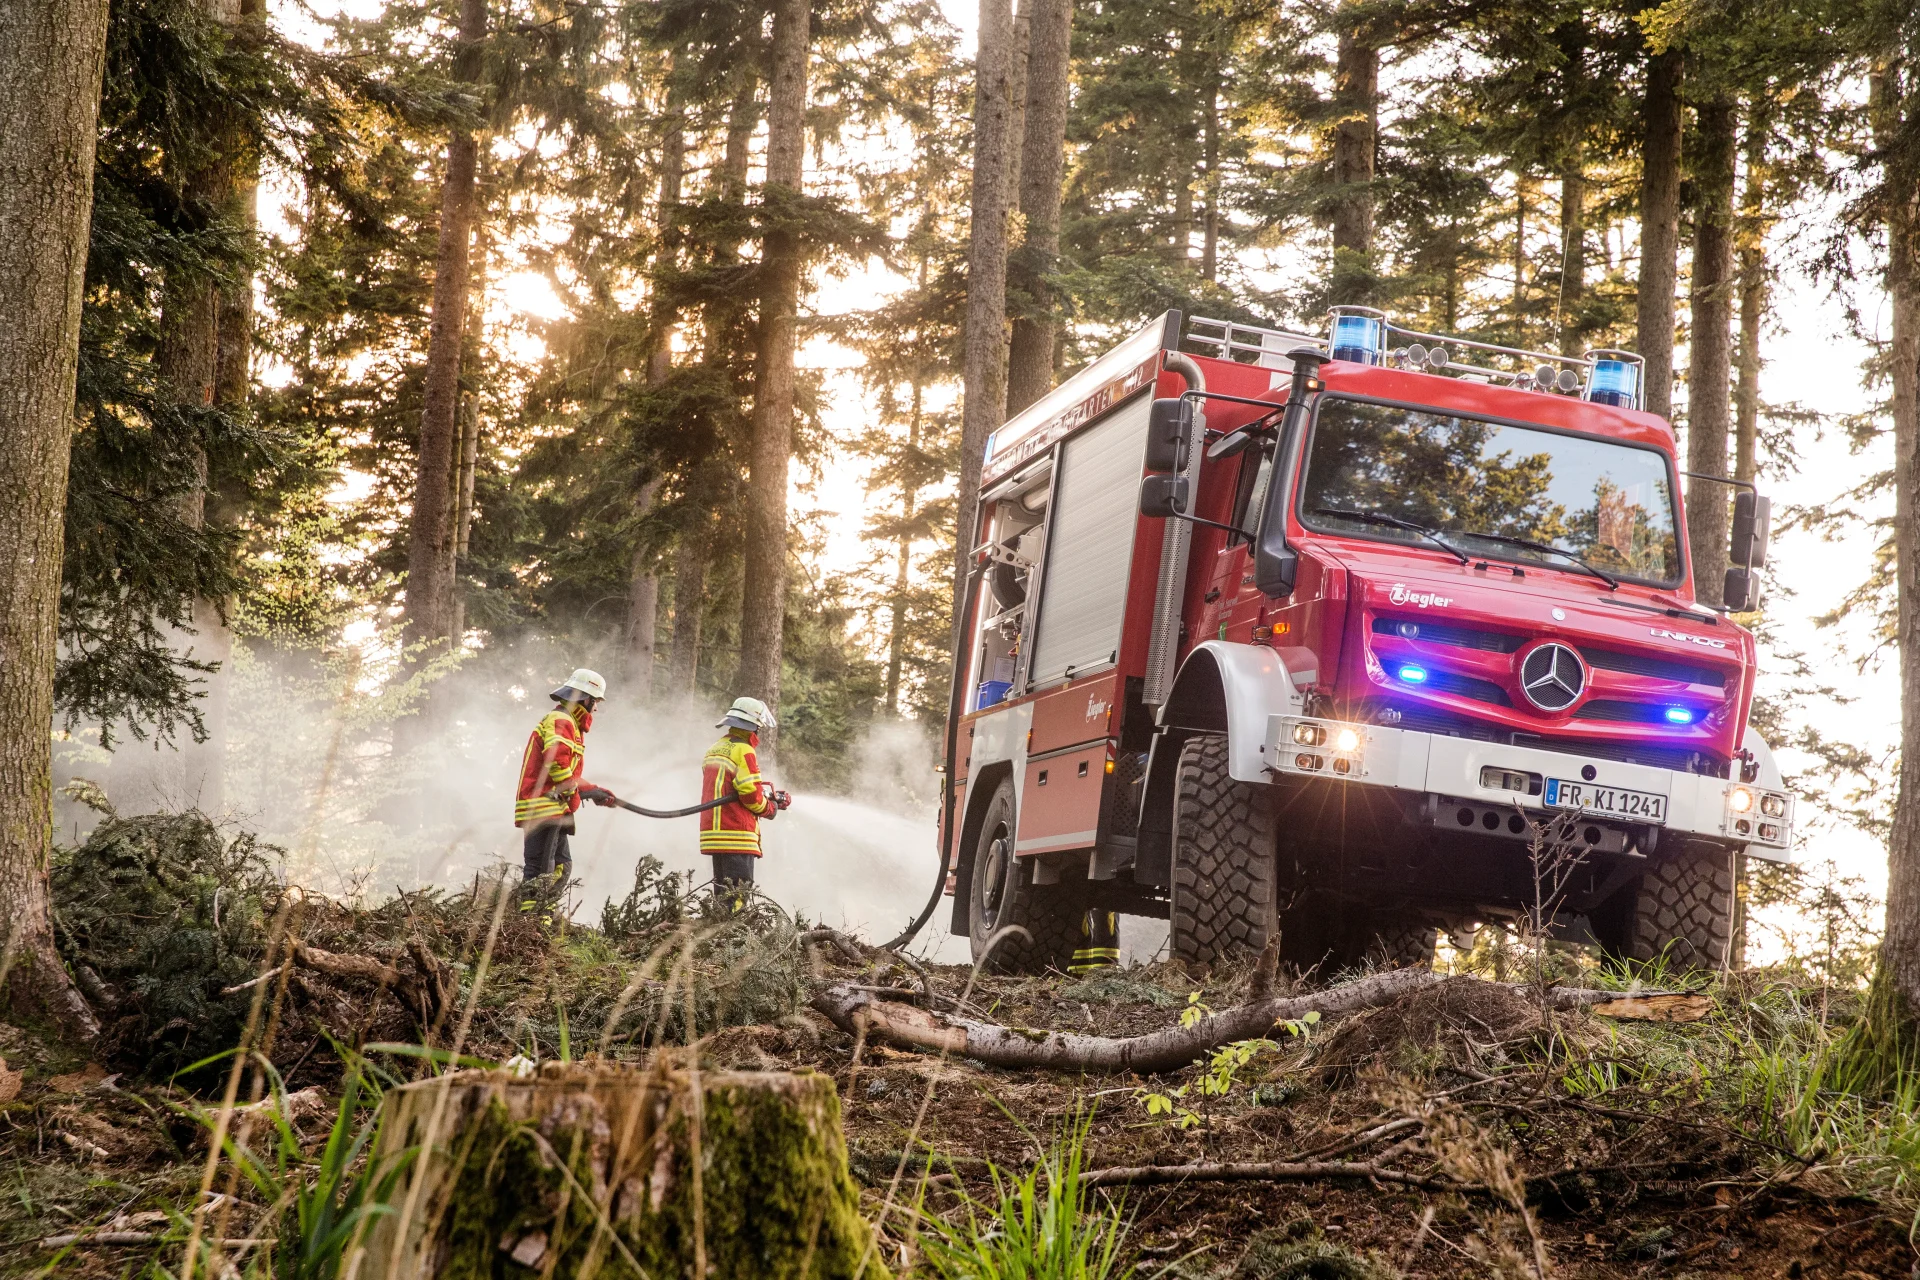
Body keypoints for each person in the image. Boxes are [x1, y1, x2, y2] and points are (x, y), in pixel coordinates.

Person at [514, 667, 618, 924]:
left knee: (560, 867)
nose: (596, 709)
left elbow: (566, 771)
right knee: (542, 868)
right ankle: (531, 924)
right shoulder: (562, 720)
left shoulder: (568, 723)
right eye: (596, 702)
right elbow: (557, 763)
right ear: (585, 698)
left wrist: (592, 790)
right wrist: (572, 792)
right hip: (544, 806)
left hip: (552, 807)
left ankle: (542, 917)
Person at [699, 696, 792, 903]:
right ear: (754, 726)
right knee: (739, 895)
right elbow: (749, 794)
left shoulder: (715, 748)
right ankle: (735, 934)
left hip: (715, 834)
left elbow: (731, 787)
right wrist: (769, 808)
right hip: (737, 834)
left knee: (723, 895)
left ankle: (719, 931)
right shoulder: (744, 750)